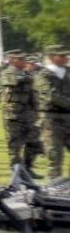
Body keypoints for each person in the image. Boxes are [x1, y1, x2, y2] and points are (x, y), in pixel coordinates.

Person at [0, 50, 43, 176]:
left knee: (34, 142)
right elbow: (14, 82)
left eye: (24, 59)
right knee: (15, 145)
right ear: (12, 60)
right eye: (21, 59)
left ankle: (28, 167)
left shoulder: (28, 74)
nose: (24, 61)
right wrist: (27, 76)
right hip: (13, 114)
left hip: (29, 114)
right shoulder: (7, 73)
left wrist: (38, 110)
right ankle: (16, 170)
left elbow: (34, 93)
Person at [36, 45, 70, 179]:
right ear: (51, 57)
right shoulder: (43, 74)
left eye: (66, 55)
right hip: (52, 119)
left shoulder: (68, 71)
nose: (65, 58)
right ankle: (55, 190)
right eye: (61, 56)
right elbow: (50, 95)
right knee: (55, 156)